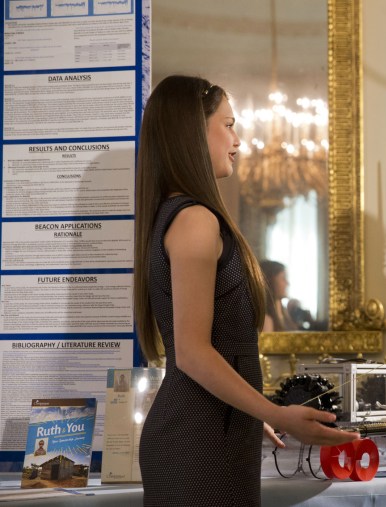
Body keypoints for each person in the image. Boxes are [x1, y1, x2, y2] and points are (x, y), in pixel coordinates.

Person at [134, 75, 357, 506]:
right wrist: (275, 412)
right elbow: (194, 353)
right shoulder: (196, 219)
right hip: (197, 438)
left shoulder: (179, 215)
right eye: (229, 124)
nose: (238, 140)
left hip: (213, 430)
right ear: (192, 133)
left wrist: (254, 414)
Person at [260, 260, 298, 332]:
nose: (287, 283)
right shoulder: (266, 320)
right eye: (283, 278)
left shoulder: (284, 313)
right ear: (270, 281)